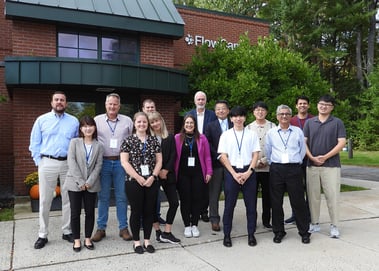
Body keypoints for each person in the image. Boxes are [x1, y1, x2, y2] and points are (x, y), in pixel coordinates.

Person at [29, 91, 79, 249]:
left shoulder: (74, 121)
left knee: (68, 199)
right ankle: (42, 234)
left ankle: (67, 231)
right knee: (44, 200)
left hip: (67, 164)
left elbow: (77, 143)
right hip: (47, 162)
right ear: (51, 102)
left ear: (66, 103)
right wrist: (40, 163)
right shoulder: (41, 120)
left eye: (62, 100)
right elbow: (34, 143)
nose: (59, 102)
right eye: (56, 100)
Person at [265, 105, 311, 244]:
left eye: (287, 114)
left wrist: (294, 161)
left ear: (291, 116)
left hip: (293, 169)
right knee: (276, 202)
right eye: (281, 114)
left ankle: (304, 231)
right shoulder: (271, 133)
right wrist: (274, 163)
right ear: (277, 116)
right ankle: (279, 231)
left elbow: (302, 151)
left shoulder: (297, 131)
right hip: (277, 169)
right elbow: (268, 151)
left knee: (298, 201)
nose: (284, 116)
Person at [92, 93, 133, 242]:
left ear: (119, 106)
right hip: (103, 163)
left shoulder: (127, 121)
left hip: (122, 163)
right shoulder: (96, 121)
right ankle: (101, 228)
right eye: (110, 104)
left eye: (115, 104)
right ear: (105, 104)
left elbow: (131, 140)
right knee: (103, 197)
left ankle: (123, 228)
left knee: (122, 196)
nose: (112, 106)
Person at [304, 94, 346, 238]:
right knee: (313, 196)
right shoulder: (309, 122)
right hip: (312, 165)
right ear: (317, 105)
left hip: (331, 165)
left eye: (327, 105)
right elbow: (304, 142)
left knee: (332, 196)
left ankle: (334, 225)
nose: (323, 106)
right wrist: (311, 157)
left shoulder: (337, 122)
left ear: (332, 107)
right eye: (321, 104)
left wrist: (325, 157)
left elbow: (341, 142)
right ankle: (314, 223)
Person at [218, 106, 260, 248]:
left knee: (251, 206)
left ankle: (251, 234)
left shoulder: (252, 134)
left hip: (249, 171)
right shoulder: (226, 135)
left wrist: (249, 171)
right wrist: (234, 173)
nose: (238, 119)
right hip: (232, 171)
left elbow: (255, 154)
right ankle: (227, 235)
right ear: (231, 118)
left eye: (241, 116)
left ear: (245, 118)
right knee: (229, 205)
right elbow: (223, 156)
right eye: (235, 116)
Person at [120, 112, 162, 254]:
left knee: (149, 211)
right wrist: (138, 177)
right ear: (134, 123)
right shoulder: (128, 140)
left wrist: (153, 176)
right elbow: (124, 162)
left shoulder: (154, 141)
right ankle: (137, 242)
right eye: (139, 122)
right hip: (133, 181)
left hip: (151, 181)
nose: (142, 124)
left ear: (147, 124)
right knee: (136, 211)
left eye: (144, 122)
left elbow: (159, 161)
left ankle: (147, 241)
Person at [64, 116, 103, 252]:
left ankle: (87, 238)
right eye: (85, 126)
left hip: (91, 185)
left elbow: (99, 165)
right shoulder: (74, 142)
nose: (88, 128)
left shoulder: (99, 145)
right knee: (75, 213)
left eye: (90, 125)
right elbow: (71, 162)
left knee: (90, 212)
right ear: (81, 128)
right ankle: (76, 240)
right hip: (75, 183)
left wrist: (89, 182)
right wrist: (81, 181)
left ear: (94, 128)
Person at [175, 114, 212, 238]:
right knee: (185, 200)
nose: (189, 125)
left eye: (191, 123)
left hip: (198, 174)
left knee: (197, 199)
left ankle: (194, 224)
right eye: (187, 123)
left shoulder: (202, 138)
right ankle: (187, 225)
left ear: (195, 125)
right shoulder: (177, 138)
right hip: (182, 174)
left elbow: (207, 156)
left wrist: (209, 172)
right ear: (184, 125)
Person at [149, 112, 181, 244]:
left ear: (161, 120)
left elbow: (173, 155)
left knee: (174, 202)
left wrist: (166, 170)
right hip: (152, 176)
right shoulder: (148, 139)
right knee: (150, 205)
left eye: (157, 121)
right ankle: (157, 232)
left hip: (168, 174)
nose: (155, 124)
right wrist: (156, 173)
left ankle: (167, 232)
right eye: (152, 122)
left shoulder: (170, 137)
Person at [187, 91, 217, 222]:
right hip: (191, 152)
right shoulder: (189, 114)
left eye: (203, 99)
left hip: (206, 152)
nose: (200, 101)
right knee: (193, 184)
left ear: (206, 101)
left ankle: (204, 211)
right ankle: (194, 210)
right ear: (195, 101)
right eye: (198, 99)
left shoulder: (212, 115)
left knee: (205, 185)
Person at [247, 101, 276, 229]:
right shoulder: (248, 127)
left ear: (266, 112)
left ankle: (266, 220)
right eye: (257, 110)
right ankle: (252, 220)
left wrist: (265, 160)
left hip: (268, 167)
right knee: (252, 196)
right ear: (253, 112)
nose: (260, 112)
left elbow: (275, 146)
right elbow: (246, 148)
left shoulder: (272, 126)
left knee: (267, 196)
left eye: (262, 110)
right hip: (253, 168)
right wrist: (256, 162)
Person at [204, 100, 232, 232]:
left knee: (230, 192)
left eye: (223, 108)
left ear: (228, 110)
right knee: (214, 193)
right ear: (215, 112)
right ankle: (214, 219)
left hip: (232, 164)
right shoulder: (210, 126)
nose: (221, 111)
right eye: (218, 109)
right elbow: (207, 143)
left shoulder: (234, 123)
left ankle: (228, 218)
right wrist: (219, 155)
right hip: (216, 163)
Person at [285, 95, 313, 224]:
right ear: (296, 106)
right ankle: (295, 214)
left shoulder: (314, 120)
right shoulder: (291, 120)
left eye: (305, 103)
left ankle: (308, 215)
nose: (302, 105)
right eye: (300, 103)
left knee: (310, 188)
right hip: (295, 160)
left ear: (308, 105)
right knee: (296, 188)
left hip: (311, 159)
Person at [141, 98, 166, 225]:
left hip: (158, 168)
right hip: (144, 168)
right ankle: (142, 219)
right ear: (143, 109)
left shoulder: (159, 128)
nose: (150, 109)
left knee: (156, 195)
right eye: (147, 107)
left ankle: (156, 216)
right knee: (143, 196)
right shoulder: (141, 128)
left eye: (152, 107)